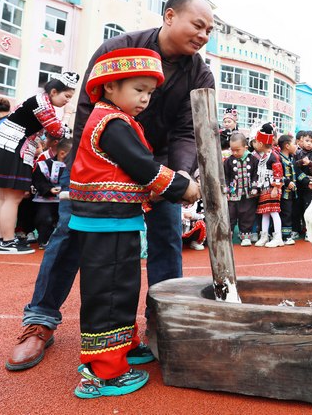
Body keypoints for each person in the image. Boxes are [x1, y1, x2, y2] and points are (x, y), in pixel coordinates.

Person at [6, 0, 213, 372]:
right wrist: (117, 165)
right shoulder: (118, 47)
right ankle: (40, 320)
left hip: (160, 166)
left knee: (166, 238)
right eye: (197, 25)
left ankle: (162, 324)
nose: (203, 35)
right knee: (69, 234)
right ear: (169, 16)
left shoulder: (199, 72)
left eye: (209, 30)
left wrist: (181, 174)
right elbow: (88, 112)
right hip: (99, 161)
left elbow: (189, 130)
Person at [68, 47, 198, 399]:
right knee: (110, 292)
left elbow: (130, 171)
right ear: (110, 86)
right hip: (106, 224)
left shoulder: (116, 120)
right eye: (138, 89)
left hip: (117, 222)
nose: (145, 99)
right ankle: (104, 372)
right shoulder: (111, 123)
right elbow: (143, 165)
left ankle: (123, 347)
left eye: (149, 92)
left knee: (121, 287)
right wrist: (183, 187)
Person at [0, 75, 76, 255]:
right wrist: (68, 114)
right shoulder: (42, 104)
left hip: (6, 148)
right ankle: (7, 241)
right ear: (54, 92)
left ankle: (2, 240)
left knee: (4, 197)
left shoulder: (37, 100)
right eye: (67, 96)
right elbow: (58, 131)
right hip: (13, 149)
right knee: (11, 198)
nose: (67, 101)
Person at [31, 138, 72, 249]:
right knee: (45, 219)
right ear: (63, 153)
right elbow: (37, 180)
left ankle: (67, 243)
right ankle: (44, 240)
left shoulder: (75, 166)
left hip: (68, 199)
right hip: (46, 199)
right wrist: (49, 189)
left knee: (66, 220)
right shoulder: (44, 165)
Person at [250, 123, 285, 248]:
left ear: (260, 143)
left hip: (272, 188)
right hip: (265, 187)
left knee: (274, 212)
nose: (254, 145)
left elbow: (278, 173)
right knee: (265, 212)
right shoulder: (264, 156)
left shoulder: (273, 156)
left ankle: (278, 237)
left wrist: (276, 187)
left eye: (255, 142)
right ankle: (264, 236)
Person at [224, 132, 259, 246]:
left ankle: (245, 236)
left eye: (237, 150)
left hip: (248, 194)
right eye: (232, 150)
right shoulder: (228, 161)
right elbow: (226, 176)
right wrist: (227, 188)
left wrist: (254, 187)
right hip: (233, 194)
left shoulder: (253, 160)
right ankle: (228, 235)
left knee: (247, 215)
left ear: (245, 147)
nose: (234, 153)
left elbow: (256, 174)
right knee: (230, 214)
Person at [277, 133, 309, 245]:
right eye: (294, 144)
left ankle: (286, 234)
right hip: (282, 193)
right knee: (285, 213)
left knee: (289, 213)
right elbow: (277, 175)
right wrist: (286, 182)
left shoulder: (291, 158)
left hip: (292, 193)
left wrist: (307, 182)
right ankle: (285, 236)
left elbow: (298, 172)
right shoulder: (278, 159)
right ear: (287, 146)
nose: (296, 146)